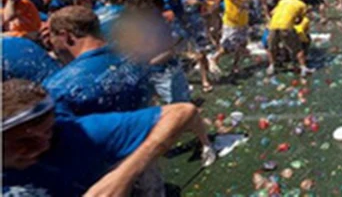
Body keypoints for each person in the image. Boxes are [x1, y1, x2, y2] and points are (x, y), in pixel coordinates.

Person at [2, 78, 199, 196]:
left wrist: (122, 176)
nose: (43, 146)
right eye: (25, 142)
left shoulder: (74, 134)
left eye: (48, 132)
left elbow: (180, 112)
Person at [43, 6, 152, 117]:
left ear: (66, 37)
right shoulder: (134, 57)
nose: (53, 47)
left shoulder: (59, 87)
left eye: (52, 39)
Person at [209, 0, 271, 76]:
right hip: (232, 22)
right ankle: (214, 59)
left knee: (242, 44)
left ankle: (236, 66)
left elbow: (245, 1)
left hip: (242, 20)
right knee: (227, 46)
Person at [267, 0, 312, 75]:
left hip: (273, 25)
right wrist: (295, 21)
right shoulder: (302, 4)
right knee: (298, 49)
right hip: (286, 26)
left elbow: (271, 13)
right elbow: (301, 19)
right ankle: (303, 68)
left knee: (272, 47)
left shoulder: (283, 1)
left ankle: (271, 66)